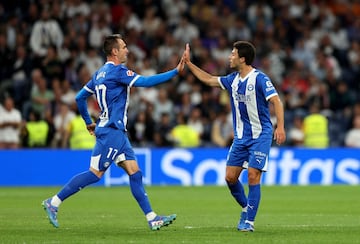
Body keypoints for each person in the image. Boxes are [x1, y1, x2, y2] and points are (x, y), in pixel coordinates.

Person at [42, 34, 184, 230]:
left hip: (115, 131)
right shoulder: (118, 72)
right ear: (114, 51)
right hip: (111, 131)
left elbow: (79, 97)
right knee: (95, 174)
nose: (127, 50)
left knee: (135, 172)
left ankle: (152, 218)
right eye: (124, 47)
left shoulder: (98, 74)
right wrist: (175, 71)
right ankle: (54, 202)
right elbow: (146, 81)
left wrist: (87, 122)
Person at [183, 41, 286, 232]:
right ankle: (247, 208)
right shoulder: (232, 80)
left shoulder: (260, 79)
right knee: (230, 178)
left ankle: (249, 222)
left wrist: (280, 127)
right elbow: (208, 79)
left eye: (233, 54)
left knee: (253, 175)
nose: (229, 57)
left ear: (242, 58)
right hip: (240, 138)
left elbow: (276, 101)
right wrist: (189, 63)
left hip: (260, 135)